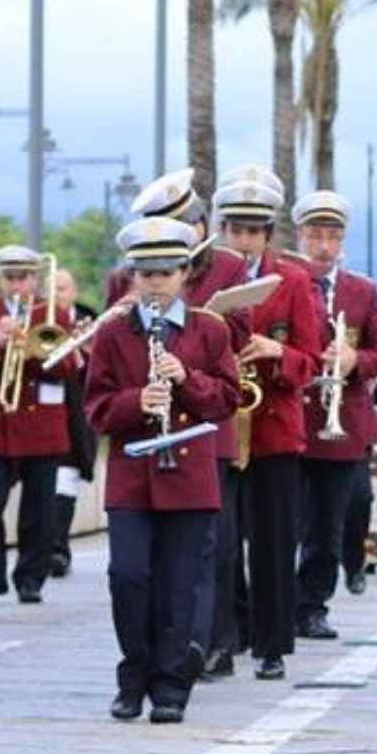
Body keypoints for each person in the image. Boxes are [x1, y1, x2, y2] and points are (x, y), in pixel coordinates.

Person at [85, 217, 239, 722]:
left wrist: (186, 378)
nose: (155, 282)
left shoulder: (210, 330)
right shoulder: (112, 334)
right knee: (128, 576)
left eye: (166, 272)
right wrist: (137, 401)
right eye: (146, 272)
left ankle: (171, 685)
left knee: (179, 584)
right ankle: (134, 674)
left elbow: (227, 400)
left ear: (185, 273)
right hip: (133, 477)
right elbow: (96, 408)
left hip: (190, 476)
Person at [120, 170, 252, 681]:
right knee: (148, 561)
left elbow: (237, 336)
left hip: (206, 427)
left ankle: (210, 643)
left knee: (210, 548)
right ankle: (163, 648)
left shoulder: (230, 269)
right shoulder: (131, 278)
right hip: (147, 433)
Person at [214, 173, 323, 682]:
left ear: (268, 233)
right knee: (219, 539)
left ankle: (271, 643)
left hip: (273, 425)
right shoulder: (206, 275)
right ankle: (222, 637)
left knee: (274, 540)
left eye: (255, 231)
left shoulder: (293, 280)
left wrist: (280, 351)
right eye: (236, 229)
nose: (244, 241)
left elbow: (313, 357)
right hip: (216, 424)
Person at [292, 191, 377, 638]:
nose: (324, 246)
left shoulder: (362, 290)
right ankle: (275, 604)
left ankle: (314, 602)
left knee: (334, 520)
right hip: (294, 417)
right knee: (284, 521)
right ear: (300, 236)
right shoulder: (284, 281)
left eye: (333, 237)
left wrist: (355, 359)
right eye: (315, 235)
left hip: (345, 423)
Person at [0, 246, 75, 605]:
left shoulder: (53, 314)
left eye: (23, 277)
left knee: (39, 509)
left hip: (42, 426)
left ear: (34, 279)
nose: (16, 285)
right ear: (0, 279)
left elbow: (69, 369)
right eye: (9, 278)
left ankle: (30, 579)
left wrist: (36, 349)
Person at [46, 267, 99, 580]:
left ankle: (58, 548)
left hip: (75, 412)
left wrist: (84, 350)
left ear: (74, 292)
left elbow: (101, 371)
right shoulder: (37, 320)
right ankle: (47, 548)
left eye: (62, 288)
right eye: (51, 289)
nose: (56, 295)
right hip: (42, 411)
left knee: (67, 480)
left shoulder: (89, 320)